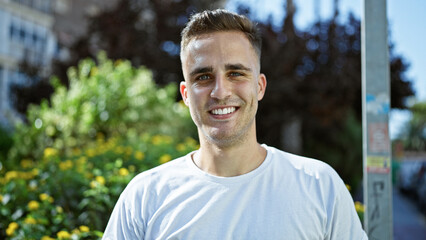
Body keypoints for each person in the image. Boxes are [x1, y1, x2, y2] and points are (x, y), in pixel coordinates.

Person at [103, 9, 368, 240]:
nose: (220, 91)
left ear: (260, 86)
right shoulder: (144, 197)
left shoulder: (320, 186)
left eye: (235, 73)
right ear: (185, 94)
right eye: (204, 76)